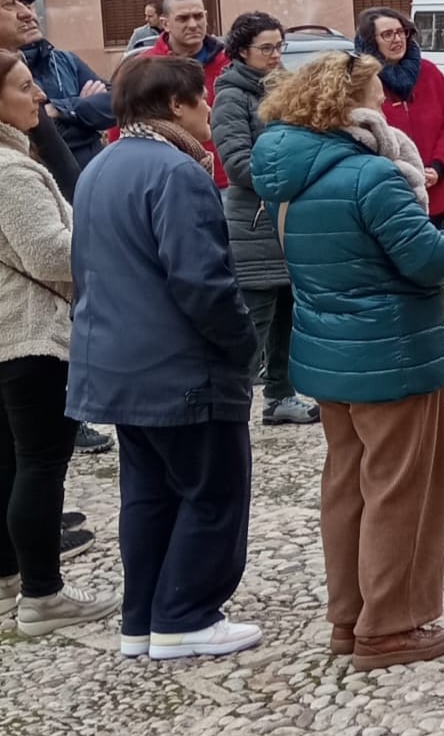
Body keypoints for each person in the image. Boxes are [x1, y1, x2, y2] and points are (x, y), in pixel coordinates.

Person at [251, 51, 444, 670]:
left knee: (346, 487)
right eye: (375, 89)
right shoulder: (370, 176)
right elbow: (427, 259)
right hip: (391, 351)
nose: (383, 99)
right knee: (399, 490)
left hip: (326, 351)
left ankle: (349, 619)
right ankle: (390, 626)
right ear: (352, 100)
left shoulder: (289, 174)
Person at [68, 55, 263, 661]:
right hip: (181, 368)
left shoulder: (100, 167)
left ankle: (143, 618)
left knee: (149, 496)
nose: (209, 110)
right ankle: (186, 616)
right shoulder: (176, 173)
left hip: (119, 365)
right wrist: (243, 345)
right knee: (213, 493)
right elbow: (201, 281)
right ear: (176, 105)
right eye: (200, 99)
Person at [0, 49, 118, 636]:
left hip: (11, 336)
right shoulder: (11, 171)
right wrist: (101, 243)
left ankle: (10, 580)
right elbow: (49, 253)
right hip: (31, 336)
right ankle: (43, 596)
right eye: (25, 88)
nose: (40, 97)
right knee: (41, 466)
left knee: (14, 462)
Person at [211, 12, 318, 427]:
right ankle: (228, 403)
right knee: (252, 321)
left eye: (279, 46)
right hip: (254, 222)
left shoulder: (289, 88)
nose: (276, 56)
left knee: (289, 318)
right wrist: (296, 171)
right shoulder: (231, 97)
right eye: (266, 48)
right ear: (241, 52)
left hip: (292, 221)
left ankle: (280, 395)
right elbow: (237, 163)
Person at [0, 0, 113, 177]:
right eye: (10, 3)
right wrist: (87, 123)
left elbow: (116, 104)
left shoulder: (64, 60)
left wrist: (63, 109)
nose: (27, 14)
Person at [354, 10, 444, 225]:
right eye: (387, 34)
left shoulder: (429, 73)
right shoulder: (363, 81)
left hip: (438, 197)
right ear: (370, 41)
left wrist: (438, 167)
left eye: (401, 32)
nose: (397, 39)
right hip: (391, 200)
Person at [117, 0, 230, 188]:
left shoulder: (231, 63)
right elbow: (120, 125)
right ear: (165, 23)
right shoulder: (144, 68)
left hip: (227, 180)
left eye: (198, 16)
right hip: (164, 180)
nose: (193, 24)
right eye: (183, 18)